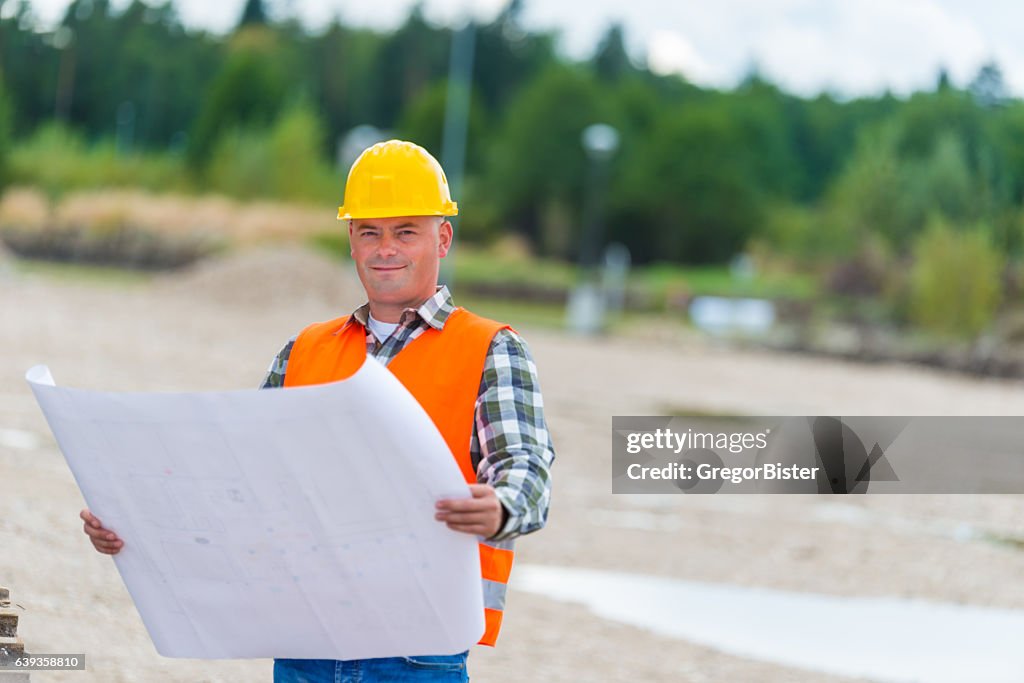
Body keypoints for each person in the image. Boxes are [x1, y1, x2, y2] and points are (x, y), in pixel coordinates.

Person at [79, 139, 556, 682]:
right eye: (369, 232)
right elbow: (233, 478)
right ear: (350, 239)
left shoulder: (492, 349)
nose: (385, 249)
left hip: (419, 652)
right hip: (304, 644)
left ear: (442, 237)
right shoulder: (304, 351)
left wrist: (500, 507)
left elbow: (527, 468)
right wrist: (135, 523)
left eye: (406, 231)